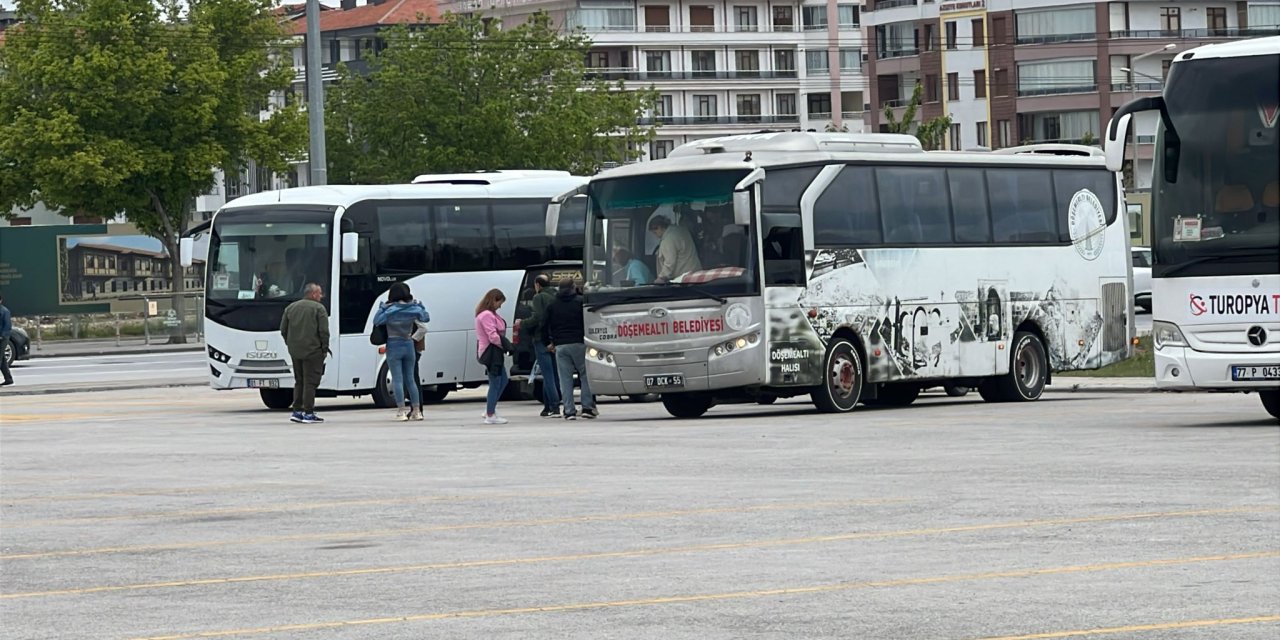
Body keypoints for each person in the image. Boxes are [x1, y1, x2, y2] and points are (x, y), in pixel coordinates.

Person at [373, 282, 430, 421]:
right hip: (408, 343)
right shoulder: (413, 308)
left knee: (398, 379)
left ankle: (401, 411)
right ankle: (417, 411)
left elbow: (377, 321)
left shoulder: (390, 309)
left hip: (393, 344)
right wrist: (419, 306)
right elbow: (425, 318)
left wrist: (383, 307)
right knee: (410, 379)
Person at [545, 278, 596, 420]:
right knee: (585, 376)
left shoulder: (552, 304)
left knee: (565, 379)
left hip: (560, 345)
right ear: (573, 287)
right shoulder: (580, 302)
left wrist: (549, 342)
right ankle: (587, 407)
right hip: (580, 343)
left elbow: (544, 324)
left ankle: (569, 411)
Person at [279, 283, 330, 424]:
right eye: (319, 293)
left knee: (299, 381)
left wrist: (290, 344)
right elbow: (324, 332)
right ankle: (308, 412)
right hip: (313, 351)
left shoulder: (291, 308)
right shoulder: (319, 309)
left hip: (295, 351)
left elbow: (283, 330)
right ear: (313, 294)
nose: (321, 296)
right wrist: (324, 349)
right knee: (311, 382)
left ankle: (297, 411)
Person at [519, 275, 561, 417]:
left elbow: (537, 317)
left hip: (541, 339)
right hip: (555, 339)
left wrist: (522, 323)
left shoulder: (539, 297)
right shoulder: (556, 296)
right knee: (555, 373)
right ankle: (548, 406)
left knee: (547, 374)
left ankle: (554, 406)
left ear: (537, 285)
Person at [475, 288, 512, 425]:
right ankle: (490, 414)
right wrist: (506, 346)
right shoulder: (487, 315)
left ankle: (490, 409)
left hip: (494, 351)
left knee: (502, 381)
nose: (500, 306)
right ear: (493, 300)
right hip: (491, 352)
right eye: (500, 303)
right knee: (496, 382)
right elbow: (492, 335)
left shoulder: (489, 314)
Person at [648, 215, 701, 284]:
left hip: (683, 282)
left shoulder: (668, 240)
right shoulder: (681, 230)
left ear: (659, 227)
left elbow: (669, 262)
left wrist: (661, 277)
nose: (656, 236)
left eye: (655, 232)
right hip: (697, 276)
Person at [0, 293, 13, 387]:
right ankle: (8, 379)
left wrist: (2, 336)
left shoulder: (5, 311)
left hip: (2, 338)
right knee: (3, 359)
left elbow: (7, 325)